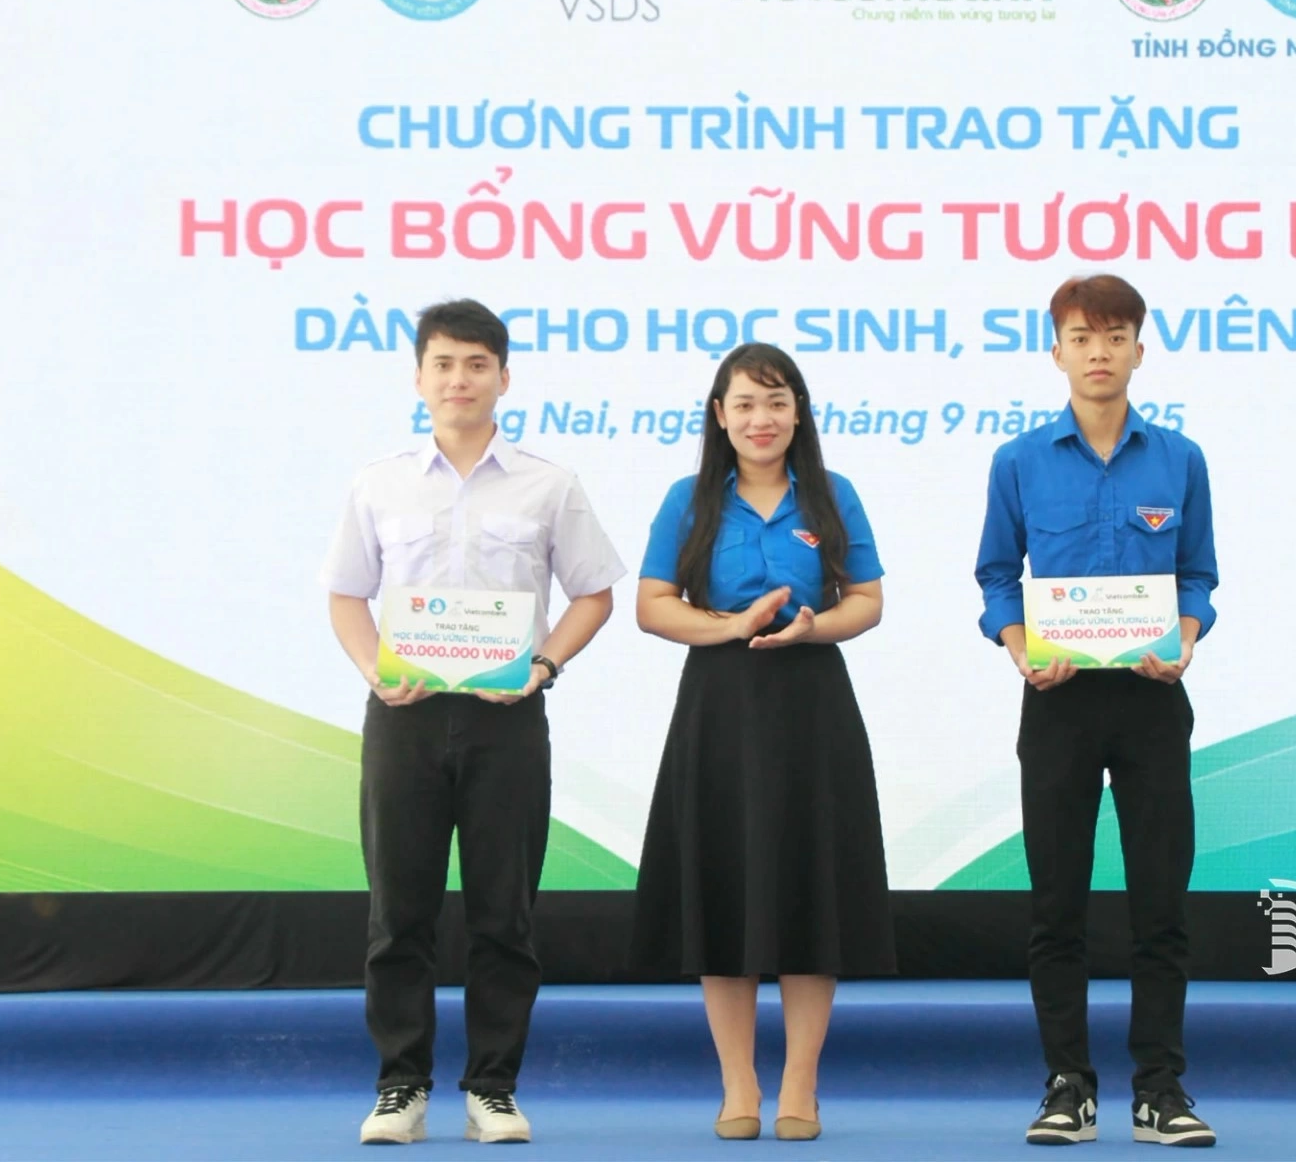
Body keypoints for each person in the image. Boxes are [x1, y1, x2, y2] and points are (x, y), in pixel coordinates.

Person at [321, 300, 626, 1146]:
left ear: (503, 377)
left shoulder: (548, 482)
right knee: (399, 912)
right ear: (419, 377)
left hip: (506, 723)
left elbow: (595, 593)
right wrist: (377, 671)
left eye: (477, 365)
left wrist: (543, 665)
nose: (460, 380)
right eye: (444, 364)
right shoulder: (378, 481)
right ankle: (400, 1087)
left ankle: (493, 1086)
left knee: (504, 913)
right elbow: (346, 594)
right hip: (405, 721)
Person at [974, 274, 1220, 1148]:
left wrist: (1185, 637)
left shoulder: (1180, 458)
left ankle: (1160, 1089)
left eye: (1116, 338)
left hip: (1154, 699)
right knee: (1057, 905)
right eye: (1081, 338)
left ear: (1140, 350)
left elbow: (1197, 574)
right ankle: (1067, 1085)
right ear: (1057, 352)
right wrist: (1021, 648)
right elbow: (998, 577)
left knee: (1161, 903)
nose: (1099, 353)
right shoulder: (1020, 460)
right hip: (1060, 703)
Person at [630, 342, 897, 1143]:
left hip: (812, 702)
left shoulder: (831, 494)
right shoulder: (690, 498)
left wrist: (817, 627)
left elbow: (870, 601)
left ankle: (801, 1088)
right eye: (744, 404)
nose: (760, 419)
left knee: (811, 887)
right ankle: (738, 1084)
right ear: (720, 415)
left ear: (798, 413)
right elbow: (651, 605)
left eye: (776, 402)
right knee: (725, 888)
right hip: (719, 704)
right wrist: (731, 625)